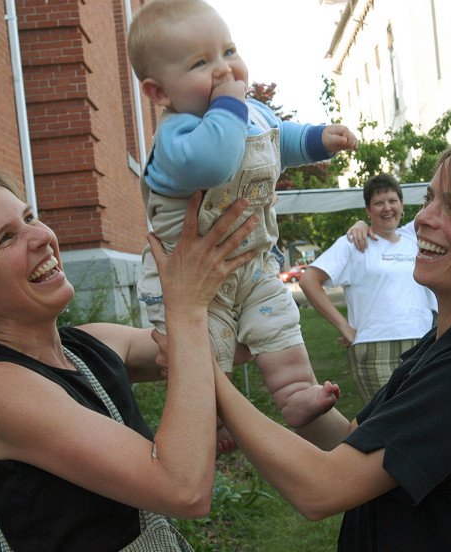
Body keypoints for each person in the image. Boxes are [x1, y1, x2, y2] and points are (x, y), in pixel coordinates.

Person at [209, 128, 451, 550]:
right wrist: (304, 405)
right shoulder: (449, 342)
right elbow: (352, 443)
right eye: (430, 198)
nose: (423, 218)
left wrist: (208, 374)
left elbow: (321, 488)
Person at [0, 167, 260, 550]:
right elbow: (184, 489)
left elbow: (235, 344)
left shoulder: (92, 344)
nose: (41, 237)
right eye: (6, 238)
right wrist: (185, 307)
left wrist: (241, 242)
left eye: (28, 217)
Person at [127, 0, 356, 446]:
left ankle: (294, 393)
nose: (223, 71)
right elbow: (216, 160)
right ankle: (211, 420)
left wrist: (318, 140)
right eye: (200, 63)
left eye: (228, 52)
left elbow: (278, 138)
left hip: (251, 268)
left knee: (280, 326)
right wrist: (229, 105)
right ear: (159, 93)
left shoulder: (250, 114)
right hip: (190, 285)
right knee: (201, 355)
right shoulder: (177, 137)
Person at [300, 174, 435, 403]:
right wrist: (344, 326)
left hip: (422, 345)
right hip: (374, 350)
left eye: (392, 201)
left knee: (422, 417)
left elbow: (434, 205)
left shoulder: (411, 236)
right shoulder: (353, 244)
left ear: (402, 204)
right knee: (386, 421)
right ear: (368, 209)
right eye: (378, 203)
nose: (387, 208)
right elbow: (308, 281)